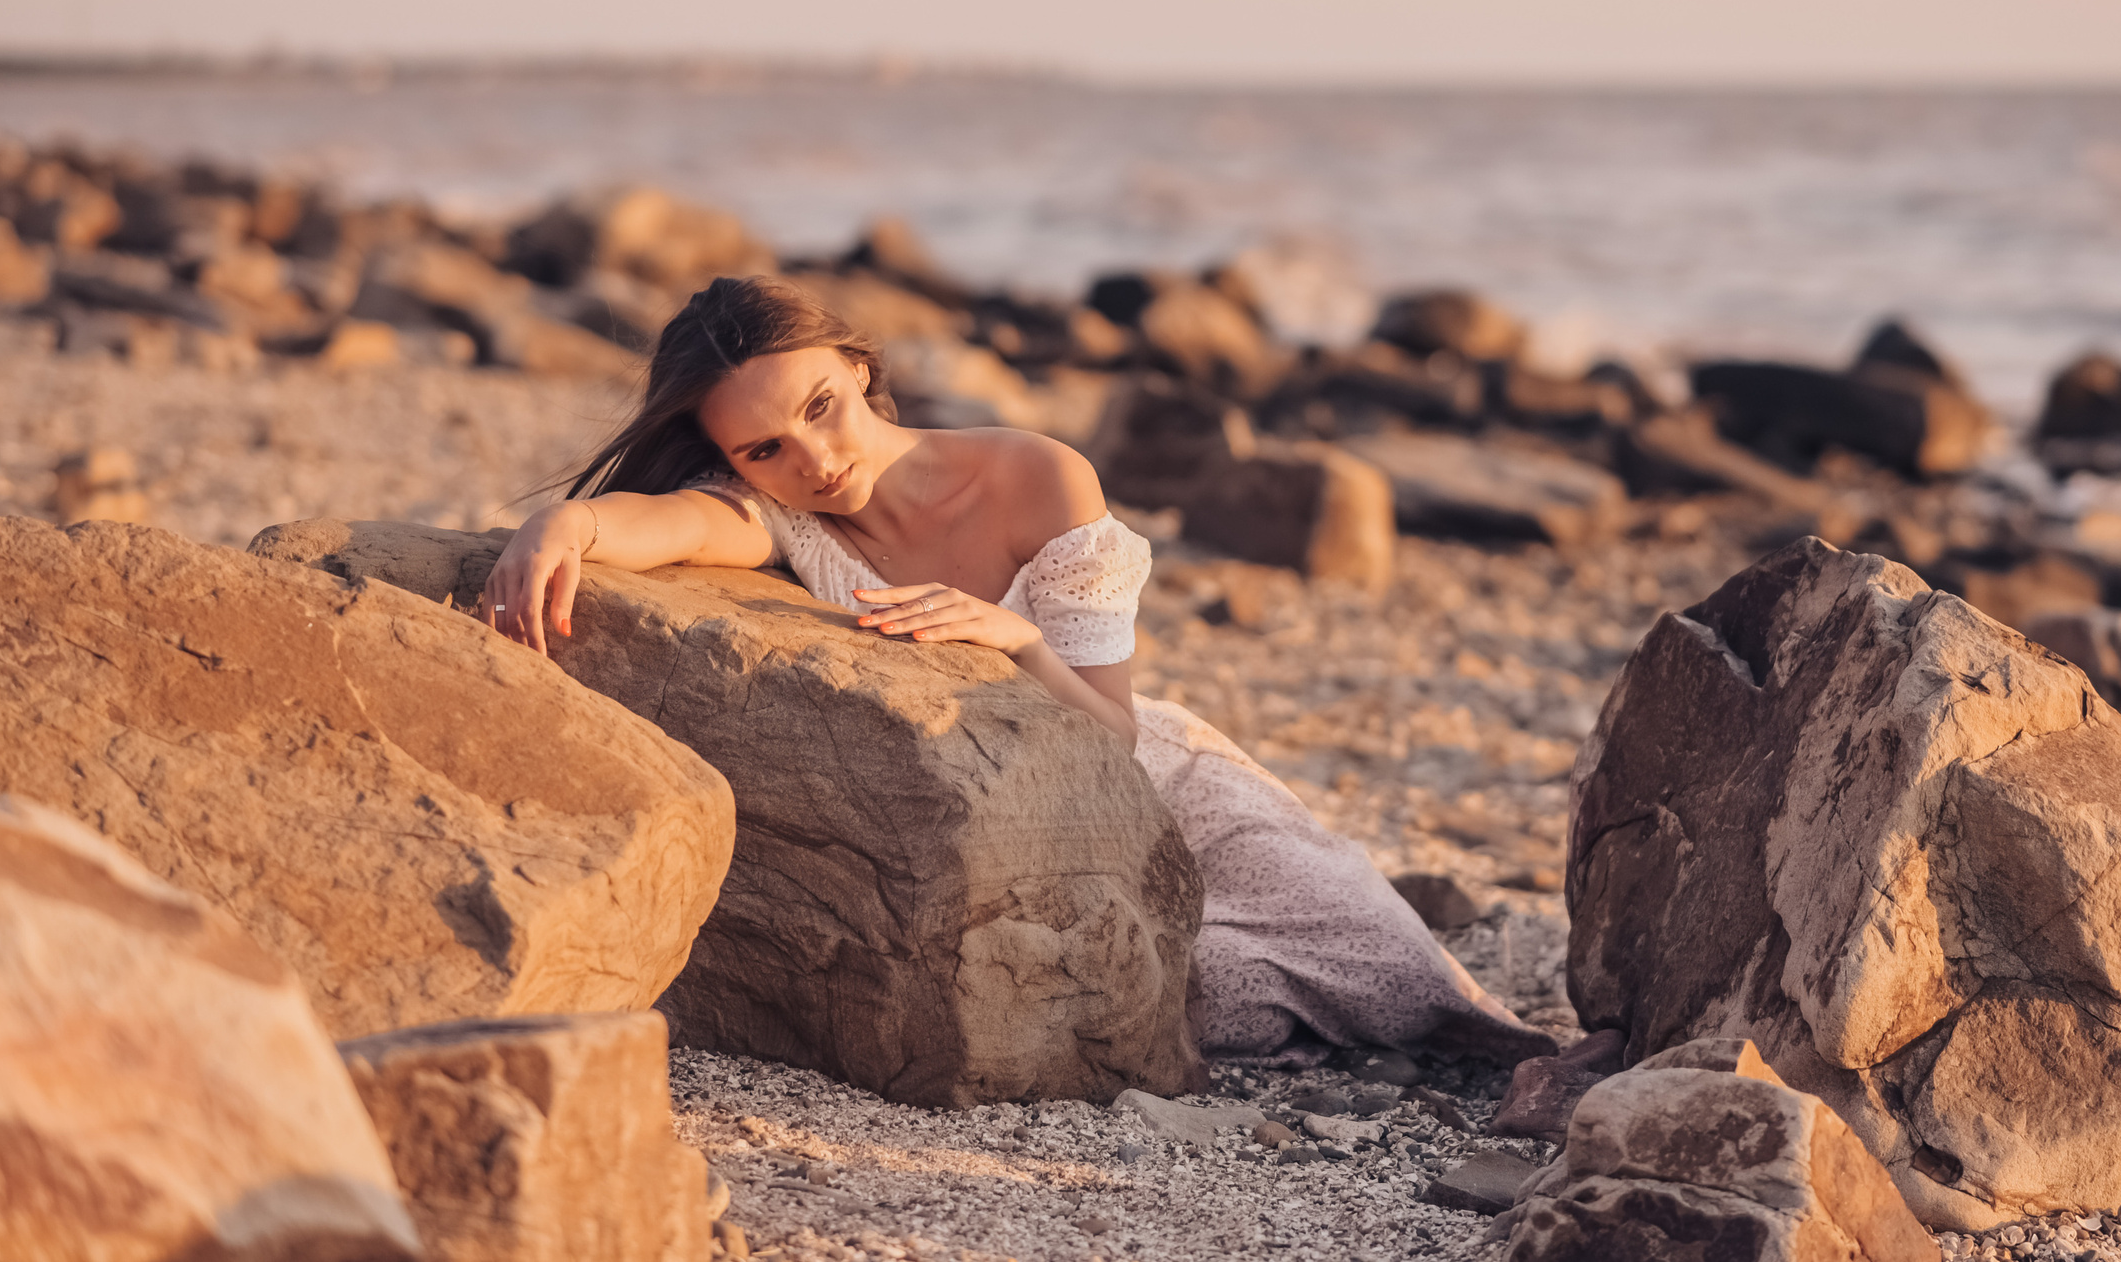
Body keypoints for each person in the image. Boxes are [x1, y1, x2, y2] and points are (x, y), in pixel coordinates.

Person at [481, 274, 1554, 1068]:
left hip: (1157, 781)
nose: (810, 459)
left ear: (858, 366)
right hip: (1013, 838)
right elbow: (668, 520)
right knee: (1206, 1001)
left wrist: (1013, 641)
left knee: (1411, 988)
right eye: (764, 448)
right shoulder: (775, 515)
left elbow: (1118, 734)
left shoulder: (1034, 473)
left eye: (819, 406)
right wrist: (564, 522)